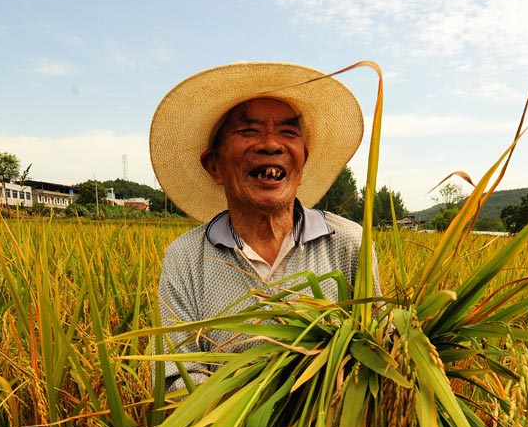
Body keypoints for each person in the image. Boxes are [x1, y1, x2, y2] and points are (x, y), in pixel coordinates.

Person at [150, 61, 378, 392]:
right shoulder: (185, 258)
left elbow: (375, 353)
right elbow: (178, 376)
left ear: (302, 161)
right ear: (214, 165)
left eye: (288, 132)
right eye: (248, 131)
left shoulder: (348, 244)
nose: (271, 144)